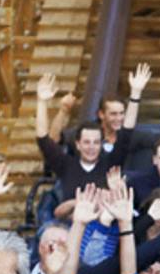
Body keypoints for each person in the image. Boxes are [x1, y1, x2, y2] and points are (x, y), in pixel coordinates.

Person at [37, 64, 152, 212]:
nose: (91, 147)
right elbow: (43, 138)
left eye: (96, 142)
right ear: (77, 144)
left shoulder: (110, 164)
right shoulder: (65, 165)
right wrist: (41, 102)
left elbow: (127, 131)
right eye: (86, 142)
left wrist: (135, 93)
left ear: (101, 144)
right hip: (70, 225)